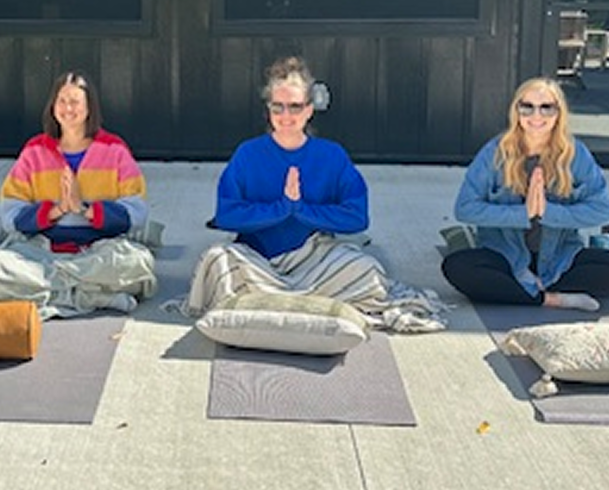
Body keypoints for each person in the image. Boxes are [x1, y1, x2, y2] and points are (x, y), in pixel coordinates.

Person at [182, 56, 446, 333]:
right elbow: (227, 214)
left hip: (315, 259)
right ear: (268, 110)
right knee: (216, 259)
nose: (286, 116)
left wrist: (302, 209)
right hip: (256, 259)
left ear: (309, 110)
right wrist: (282, 207)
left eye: (295, 107)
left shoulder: (331, 155)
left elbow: (357, 217)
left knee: (368, 269)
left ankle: (269, 303)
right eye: (278, 107)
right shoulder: (248, 153)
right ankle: (297, 301)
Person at [0, 71, 157, 318]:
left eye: (75, 101)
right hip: (40, 251)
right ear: (52, 106)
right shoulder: (35, 150)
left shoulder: (114, 149)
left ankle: (55, 291)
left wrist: (84, 209)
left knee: (138, 263)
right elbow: (10, 215)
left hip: (98, 249)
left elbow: (137, 213)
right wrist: (57, 210)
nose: (68, 108)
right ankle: (89, 294)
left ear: (90, 107)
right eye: (62, 101)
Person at [441, 76, 609, 310]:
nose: (536, 116)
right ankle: (553, 299)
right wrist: (522, 213)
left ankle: (526, 291)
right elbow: (465, 208)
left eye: (546, 108)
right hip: (505, 255)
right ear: (516, 112)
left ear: (559, 113)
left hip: (560, 258)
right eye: (527, 107)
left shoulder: (575, 154)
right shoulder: (495, 152)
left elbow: (602, 211)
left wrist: (548, 212)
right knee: (457, 267)